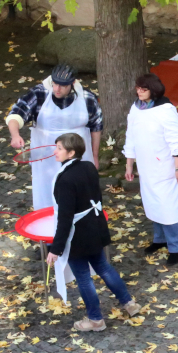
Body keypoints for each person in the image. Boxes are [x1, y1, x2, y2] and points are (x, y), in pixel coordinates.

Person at [45, 133, 140, 331]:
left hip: (78, 236)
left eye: (59, 148)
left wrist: (55, 248)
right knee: (104, 267)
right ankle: (129, 304)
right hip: (95, 228)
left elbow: (65, 218)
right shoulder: (88, 167)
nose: (55, 151)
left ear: (71, 152)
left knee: (83, 277)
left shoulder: (65, 180)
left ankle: (96, 319)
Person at [6, 63, 103, 210]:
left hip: (79, 156)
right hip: (46, 158)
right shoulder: (39, 94)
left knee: (80, 194)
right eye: (55, 84)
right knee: (47, 194)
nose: (57, 89)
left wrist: (95, 156)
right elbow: (16, 115)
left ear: (73, 83)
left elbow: (96, 126)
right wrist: (15, 135)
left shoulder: (87, 98)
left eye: (62, 86)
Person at [123, 74, 178, 266]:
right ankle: (159, 239)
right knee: (153, 203)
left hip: (166, 167)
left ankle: (174, 248)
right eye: (138, 88)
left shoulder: (166, 111)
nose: (139, 92)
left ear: (153, 89)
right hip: (147, 166)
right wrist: (130, 163)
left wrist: (177, 168)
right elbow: (131, 136)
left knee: (167, 208)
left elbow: (176, 140)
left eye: (143, 89)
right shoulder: (136, 108)